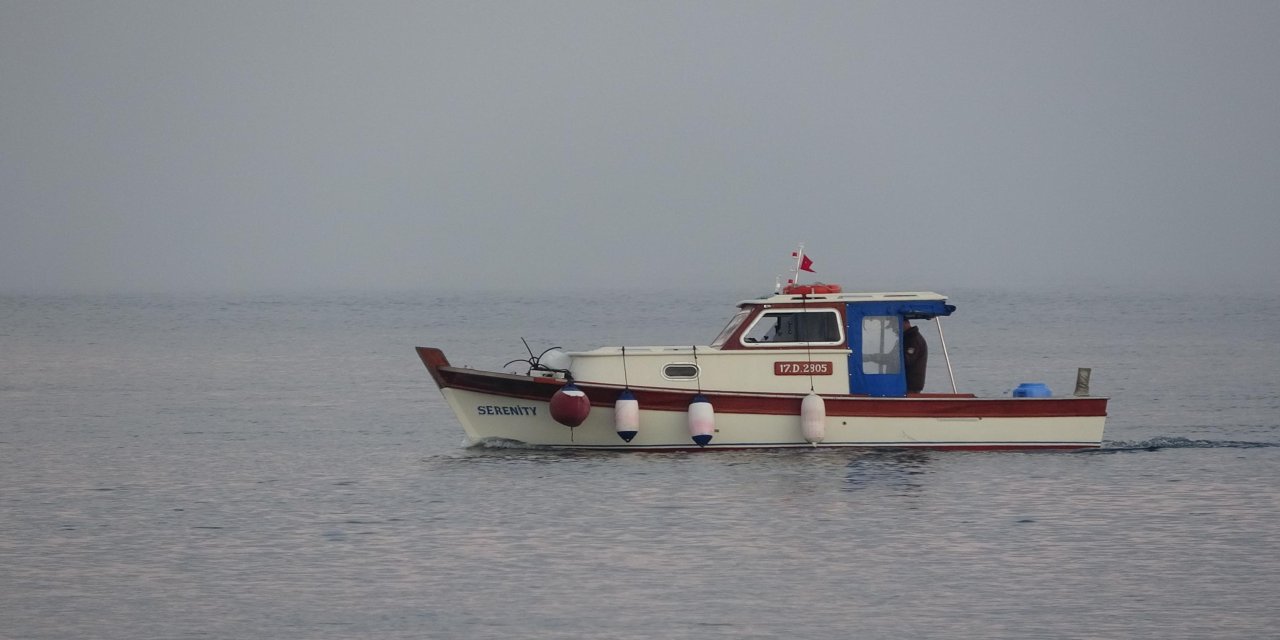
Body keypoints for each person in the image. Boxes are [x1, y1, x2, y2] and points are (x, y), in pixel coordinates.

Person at [902, 319, 927, 393]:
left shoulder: (914, 340)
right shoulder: (906, 338)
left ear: (905, 324)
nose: (894, 329)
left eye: (894, 326)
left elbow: (908, 360)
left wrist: (891, 359)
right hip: (906, 382)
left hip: (911, 384)